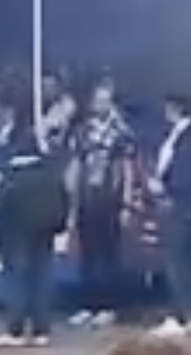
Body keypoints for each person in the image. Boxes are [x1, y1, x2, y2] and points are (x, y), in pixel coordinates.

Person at [0, 137, 71, 348]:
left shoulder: (13, 176)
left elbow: (0, 204)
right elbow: (64, 201)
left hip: (15, 237)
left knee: (16, 282)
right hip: (45, 234)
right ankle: (42, 331)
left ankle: (16, 330)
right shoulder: (51, 174)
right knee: (41, 281)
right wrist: (59, 226)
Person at [68, 76, 136, 328]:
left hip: (111, 200)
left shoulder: (121, 132)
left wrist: (127, 204)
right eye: (97, 100)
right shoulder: (82, 131)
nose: (100, 104)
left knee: (109, 256)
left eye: (105, 100)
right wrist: (71, 202)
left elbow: (127, 169)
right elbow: (76, 165)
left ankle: (109, 306)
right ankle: (88, 305)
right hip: (87, 200)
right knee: (87, 255)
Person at [148, 93, 191, 337]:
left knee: (177, 259)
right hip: (188, 204)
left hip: (182, 204)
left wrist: (165, 189)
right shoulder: (186, 136)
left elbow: (190, 173)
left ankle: (179, 315)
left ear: (175, 109)